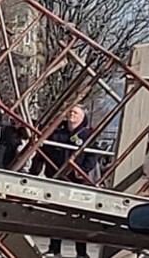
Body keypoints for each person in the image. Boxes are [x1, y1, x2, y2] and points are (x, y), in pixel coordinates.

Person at [41, 104, 94, 258]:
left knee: (78, 218)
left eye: (75, 112)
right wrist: (46, 172)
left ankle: (81, 252)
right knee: (57, 215)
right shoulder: (57, 133)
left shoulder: (86, 135)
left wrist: (82, 171)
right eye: (70, 111)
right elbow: (45, 152)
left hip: (76, 182)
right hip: (57, 179)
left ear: (82, 116)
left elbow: (93, 156)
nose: (72, 114)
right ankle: (54, 249)